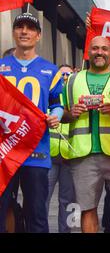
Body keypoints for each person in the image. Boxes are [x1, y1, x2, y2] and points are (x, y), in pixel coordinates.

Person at [62, 36, 110, 233]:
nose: (100, 52)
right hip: (83, 155)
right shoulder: (72, 80)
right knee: (87, 209)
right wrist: (71, 113)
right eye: (95, 48)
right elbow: (61, 114)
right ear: (88, 51)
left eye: (104, 48)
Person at [0, 13, 64, 233]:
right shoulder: (1, 67)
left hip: (36, 152)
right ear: (13, 32)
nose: (24, 31)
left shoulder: (50, 70)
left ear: (38, 35)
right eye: (19, 27)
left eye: (29, 28)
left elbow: (58, 103)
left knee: (36, 213)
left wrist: (56, 115)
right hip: (4, 153)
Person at [46, 64, 76, 233]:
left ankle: (68, 231)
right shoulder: (49, 95)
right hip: (48, 156)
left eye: (68, 74)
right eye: (62, 74)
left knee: (70, 201)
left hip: (70, 157)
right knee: (42, 198)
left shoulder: (75, 95)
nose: (65, 77)